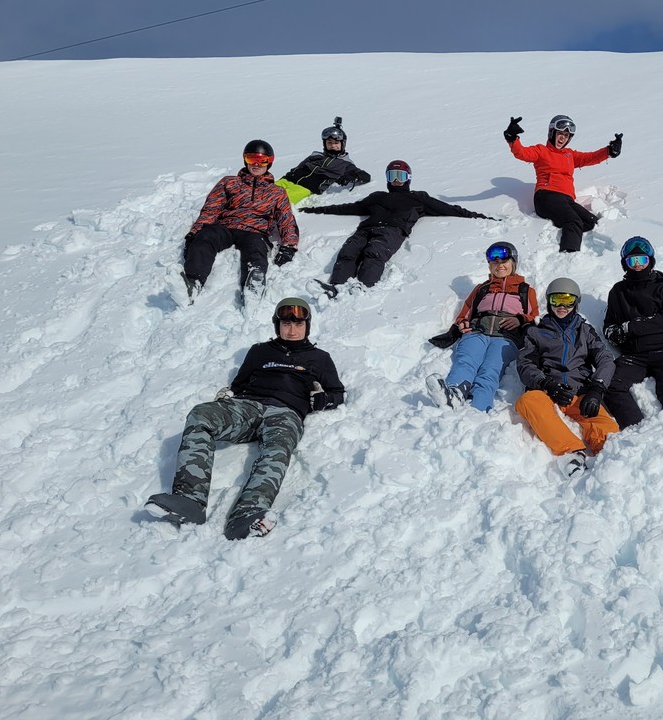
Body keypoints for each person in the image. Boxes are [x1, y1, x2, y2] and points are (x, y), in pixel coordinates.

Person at [146, 297, 346, 540]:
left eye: (298, 325)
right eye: (286, 324)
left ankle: (248, 513)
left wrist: (324, 400)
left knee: (277, 448)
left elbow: (338, 393)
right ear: (277, 325)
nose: (292, 330)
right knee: (200, 415)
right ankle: (189, 501)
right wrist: (229, 396)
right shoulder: (260, 351)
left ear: (307, 326)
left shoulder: (319, 358)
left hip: (286, 413)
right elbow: (239, 384)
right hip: (248, 405)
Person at [299, 159, 494, 293]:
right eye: (392, 176)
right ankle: (337, 285)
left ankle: (364, 286)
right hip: (366, 229)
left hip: (392, 231)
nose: (396, 181)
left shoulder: (418, 198)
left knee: (374, 253)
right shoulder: (378, 197)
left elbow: (448, 208)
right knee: (349, 252)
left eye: (400, 176)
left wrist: (478, 216)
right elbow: (350, 208)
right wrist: (318, 210)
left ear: (408, 178)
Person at [515, 277, 619, 476]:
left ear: (576, 303)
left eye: (567, 301)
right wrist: (547, 384)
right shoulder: (536, 332)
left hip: (578, 393)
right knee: (527, 402)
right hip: (547, 392)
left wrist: (597, 389)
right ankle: (571, 451)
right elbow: (525, 364)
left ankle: (610, 458)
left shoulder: (585, 332)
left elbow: (605, 359)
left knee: (608, 428)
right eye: (556, 300)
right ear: (548, 302)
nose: (562, 306)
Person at [425, 241, 539, 411]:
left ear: (513, 262)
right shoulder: (482, 289)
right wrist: (462, 323)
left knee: (491, 369)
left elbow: (534, 316)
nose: (499, 266)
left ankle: (479, 406)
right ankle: (454, 393)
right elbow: (466, 312)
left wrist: (520, 320)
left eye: (504, 262)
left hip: (506, 338)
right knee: (466, 362)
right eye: (495, 262)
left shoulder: (525, 290)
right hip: (477, 332)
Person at [182, 139, 300, 301]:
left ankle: (254, 285)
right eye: (252, 159)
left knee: (257, 248)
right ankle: (192, 282)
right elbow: (211, 209)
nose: (256, 165)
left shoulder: (276, 192)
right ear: (245, 160)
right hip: (226, 228)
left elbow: (286, 219)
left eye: (262, 160)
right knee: (206, 236)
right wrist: (195, 233)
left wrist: (289, 246)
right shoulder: (229, 183)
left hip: (254, 231)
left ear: (269, 163)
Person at [601, 236, 663, 427]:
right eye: (631, 261)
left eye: (642, 260)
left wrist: (630, 327)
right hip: (636, 354)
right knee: (611, 384)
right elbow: (609, 324)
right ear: (624, 264)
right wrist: (614, 333)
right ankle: (636, 429)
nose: (637, 265)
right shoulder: (618, 292)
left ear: (650, 261)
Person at [504, 114, 622, 252]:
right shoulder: (541, 151)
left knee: (590, 221)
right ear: (552, 132)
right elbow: (522, 153)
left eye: (566, 136)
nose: (563, 138)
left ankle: (565, 229)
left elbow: (590, 157)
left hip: (567, 199)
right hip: (547, 196)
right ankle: (569, 254)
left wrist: (609, 151)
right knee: (574, 221)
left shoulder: (569, 155)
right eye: (560, 133)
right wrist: (512, 138)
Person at [276, 116, 372, 207]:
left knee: (280, 202)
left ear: (343, 144)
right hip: (287, 180)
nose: (333, 145)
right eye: (329, 143)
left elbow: (366, 177)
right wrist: (286, 177)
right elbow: (298, 167)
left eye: (336, 143)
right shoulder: (316, 155)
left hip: (305, 188)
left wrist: (350, 177)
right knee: (266, 191)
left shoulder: (345, 163)